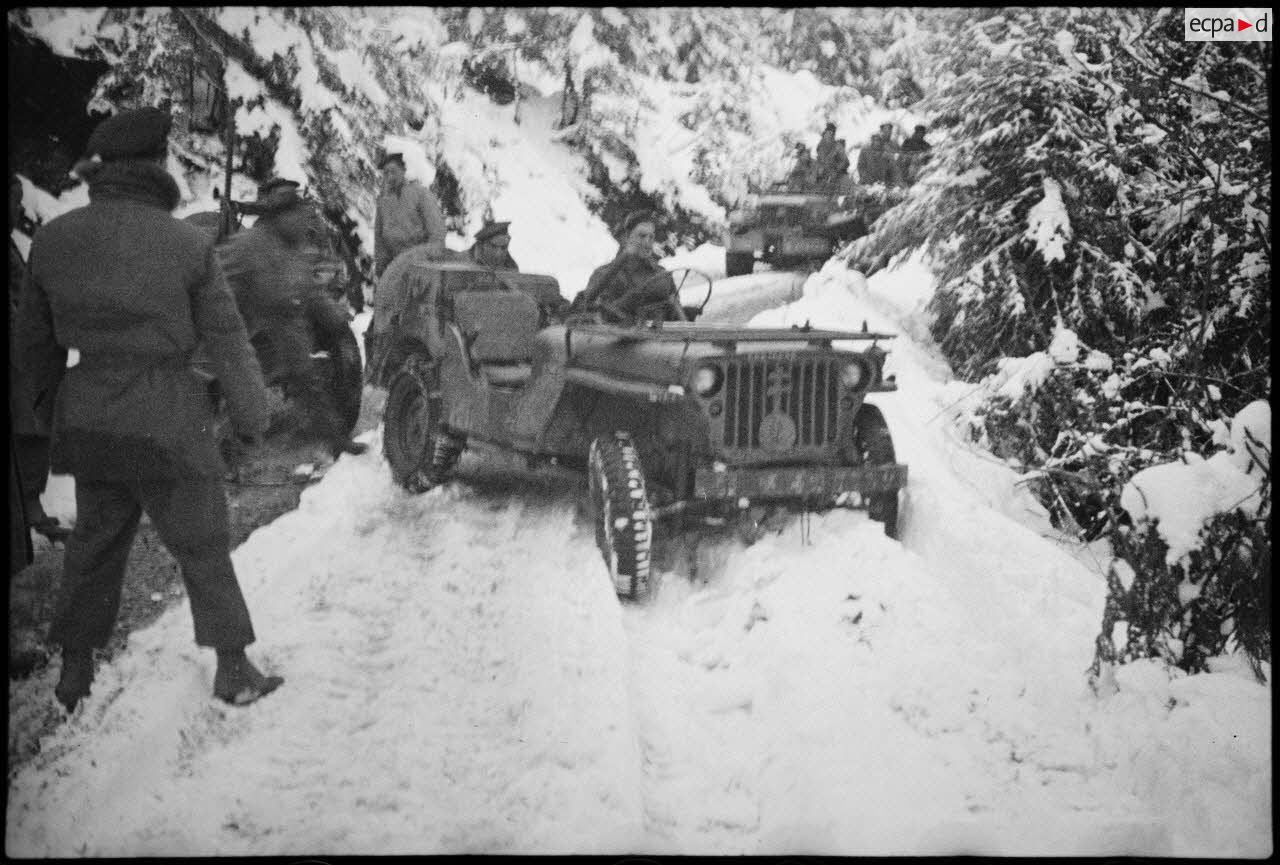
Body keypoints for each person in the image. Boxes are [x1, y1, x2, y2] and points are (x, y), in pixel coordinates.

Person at [12, 107, 283, 711]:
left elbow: (34, 349)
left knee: (95, 546)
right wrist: (252, 417)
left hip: (92, 422)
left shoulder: (54, 239)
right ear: (158, 164)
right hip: (169, 419)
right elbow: (228, 339)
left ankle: (74, 675)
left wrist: (57, 414)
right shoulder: (187, 243)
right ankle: (233, 667)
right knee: (202, 543)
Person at [220, 177, 367, 459]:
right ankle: (228, 454)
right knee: (240, 393)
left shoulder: (293, 248)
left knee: (308, 385)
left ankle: (336, 440)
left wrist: (333, 316)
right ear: (280, 217)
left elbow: (309, 290)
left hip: (287, 330)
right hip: (250, 329)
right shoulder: (247, 245)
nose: (303, 223)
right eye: (296, 217)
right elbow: (217, 283)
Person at [9, 173, 69, 551]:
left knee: (35, 429)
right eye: (11, 204)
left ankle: (31, 507)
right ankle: (28, 509)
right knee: (30, 428)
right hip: (19, 358)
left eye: (17, 204)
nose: (16, 211)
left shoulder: (12, 245)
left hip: (26, 355)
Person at [570, 211, 677, 324]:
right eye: (642, 236)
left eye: (651, 237)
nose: (647, 243)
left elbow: (675, 312)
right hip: (617, 337)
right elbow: (593, 312)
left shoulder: (661, 275)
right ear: (626, 238)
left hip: (662, 337)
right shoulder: (604, 274)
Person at [373, 151, 446, 277]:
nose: (390, 177)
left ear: (404, 171)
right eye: (386, 173)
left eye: (393, 171)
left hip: (422, 266)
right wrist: (381, 266)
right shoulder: (383, 202)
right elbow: (379, 239)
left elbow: (437, 235)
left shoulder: (421, 194)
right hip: (395, 268)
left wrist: (421, 258)